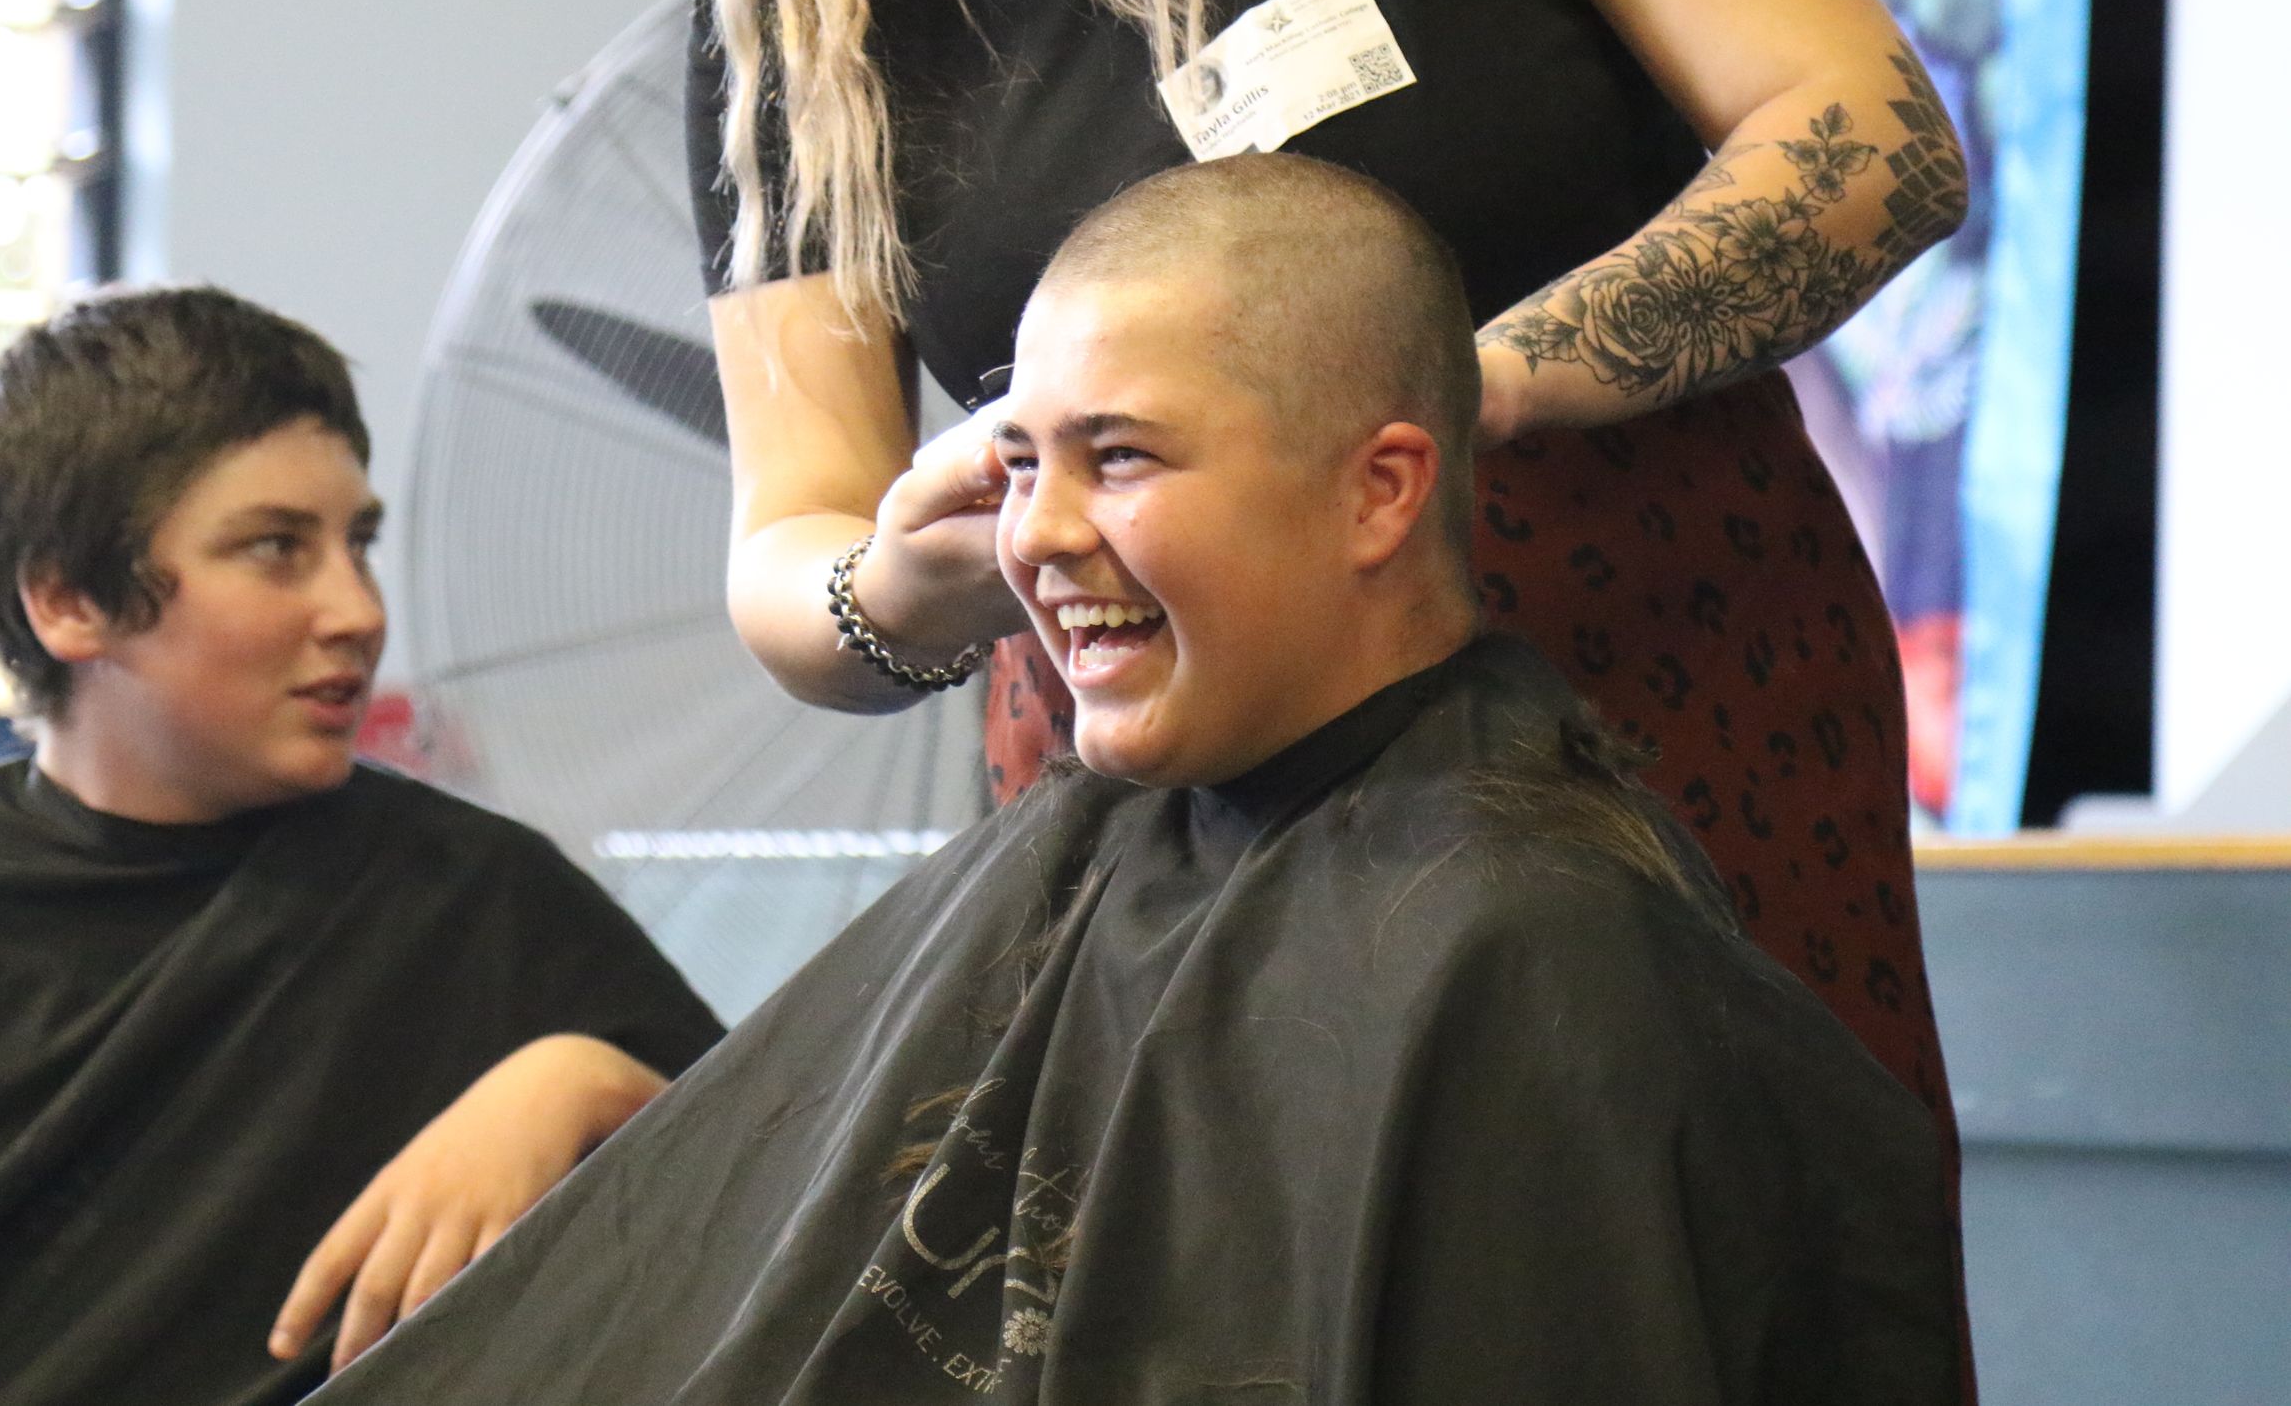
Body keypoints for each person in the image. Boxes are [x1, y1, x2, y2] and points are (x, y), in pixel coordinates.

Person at [302, 155, 1958, 1404]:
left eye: (1122, 457)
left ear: (1382, 490)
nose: (1035, 535)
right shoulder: (1082, 855)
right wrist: (604, 1089)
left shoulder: (1525, 954)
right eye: (1022, 461)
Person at [676, 0, 1971, 1243]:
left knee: (1703, 1264)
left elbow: (1866, 136)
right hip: (1162, 796)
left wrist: (1463, 385)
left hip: (1644, 700)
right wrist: (901, 584)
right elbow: (795, 530)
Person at [0, 287, 723, 1404]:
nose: (357, 610)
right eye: (276, 547)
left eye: (358, 542)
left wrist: (593, 1083)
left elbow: (792, 1222)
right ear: (69, 599)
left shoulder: (486, 909)